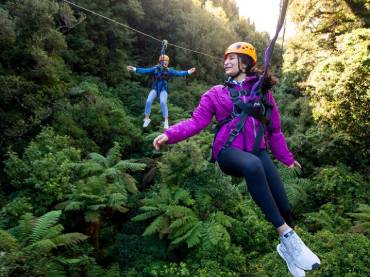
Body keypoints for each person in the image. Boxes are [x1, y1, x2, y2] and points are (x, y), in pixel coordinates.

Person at [152, 42, 320, 276]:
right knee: (252, 165)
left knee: (284, 205)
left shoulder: (263, 93)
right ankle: (287, 235)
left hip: (258, 151)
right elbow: (196, 122)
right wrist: (170, 135)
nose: (226, 62)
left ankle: (287, 251)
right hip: (228, 151)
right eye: (226, 58)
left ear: (246, 62)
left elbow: (275, 131)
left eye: (232, 58)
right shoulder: (215, 94)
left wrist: (286, 158)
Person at [127, 55, 196, 129]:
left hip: (163, 90)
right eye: (164, 61)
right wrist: (134, 69)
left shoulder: (169, 70)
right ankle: (147, 118)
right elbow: (145, 71)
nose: (166, 63)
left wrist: (188, 72)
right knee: (148, 101)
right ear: (161, 62)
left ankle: (166, 121)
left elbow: (179, 73)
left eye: (167, 62)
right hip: (155, 89)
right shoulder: (155, 69)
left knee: (163, 102)